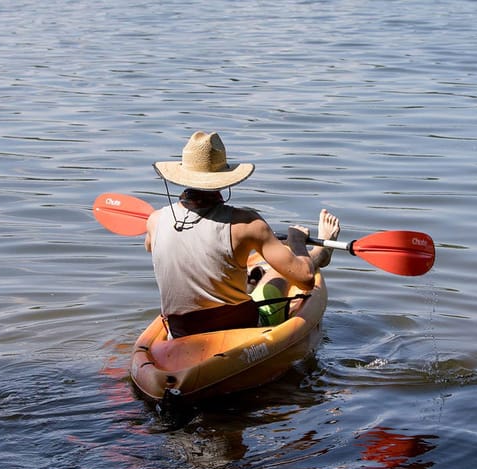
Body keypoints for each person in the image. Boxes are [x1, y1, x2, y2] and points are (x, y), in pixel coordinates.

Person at [144, 131, 340, 338]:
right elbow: (306, 280)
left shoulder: (155, 220)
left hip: (181, 331)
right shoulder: (248, 223)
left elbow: (150, 246)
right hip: (241, 328)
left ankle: (247, 281)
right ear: (224, 179)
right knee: (277, 274)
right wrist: (297, 241)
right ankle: (321, 253)